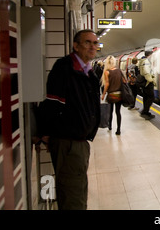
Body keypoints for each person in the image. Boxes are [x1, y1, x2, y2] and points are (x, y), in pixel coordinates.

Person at [37, 29, 100, 210]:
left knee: (77, 188)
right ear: (76, 45)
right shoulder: (65, 67)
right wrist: (45, 132)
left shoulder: (88, 71)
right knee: (73, 196)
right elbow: (52, 102)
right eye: (88, 42)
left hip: (79, 142)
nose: (92, 47)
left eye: (95, 43)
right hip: (68, 142)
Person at [101, 55, 124, 135]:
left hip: (111, 95)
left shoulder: (107, 72)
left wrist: (103, 94)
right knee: (118, 112)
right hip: (119, 94)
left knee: (110, 111)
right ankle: (118, 130)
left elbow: (106, 84)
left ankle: (110, 126)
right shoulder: (119, 71)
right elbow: (124, 81)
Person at [139, 50, 156, 120]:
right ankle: (145, 112)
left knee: (146, 97)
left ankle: (145, 112)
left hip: (144, 83)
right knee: (151, 97)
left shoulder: (142, 61)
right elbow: (146, 72)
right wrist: (151, 80)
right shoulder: (146, 62)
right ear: (149, 55)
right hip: (147, 83)